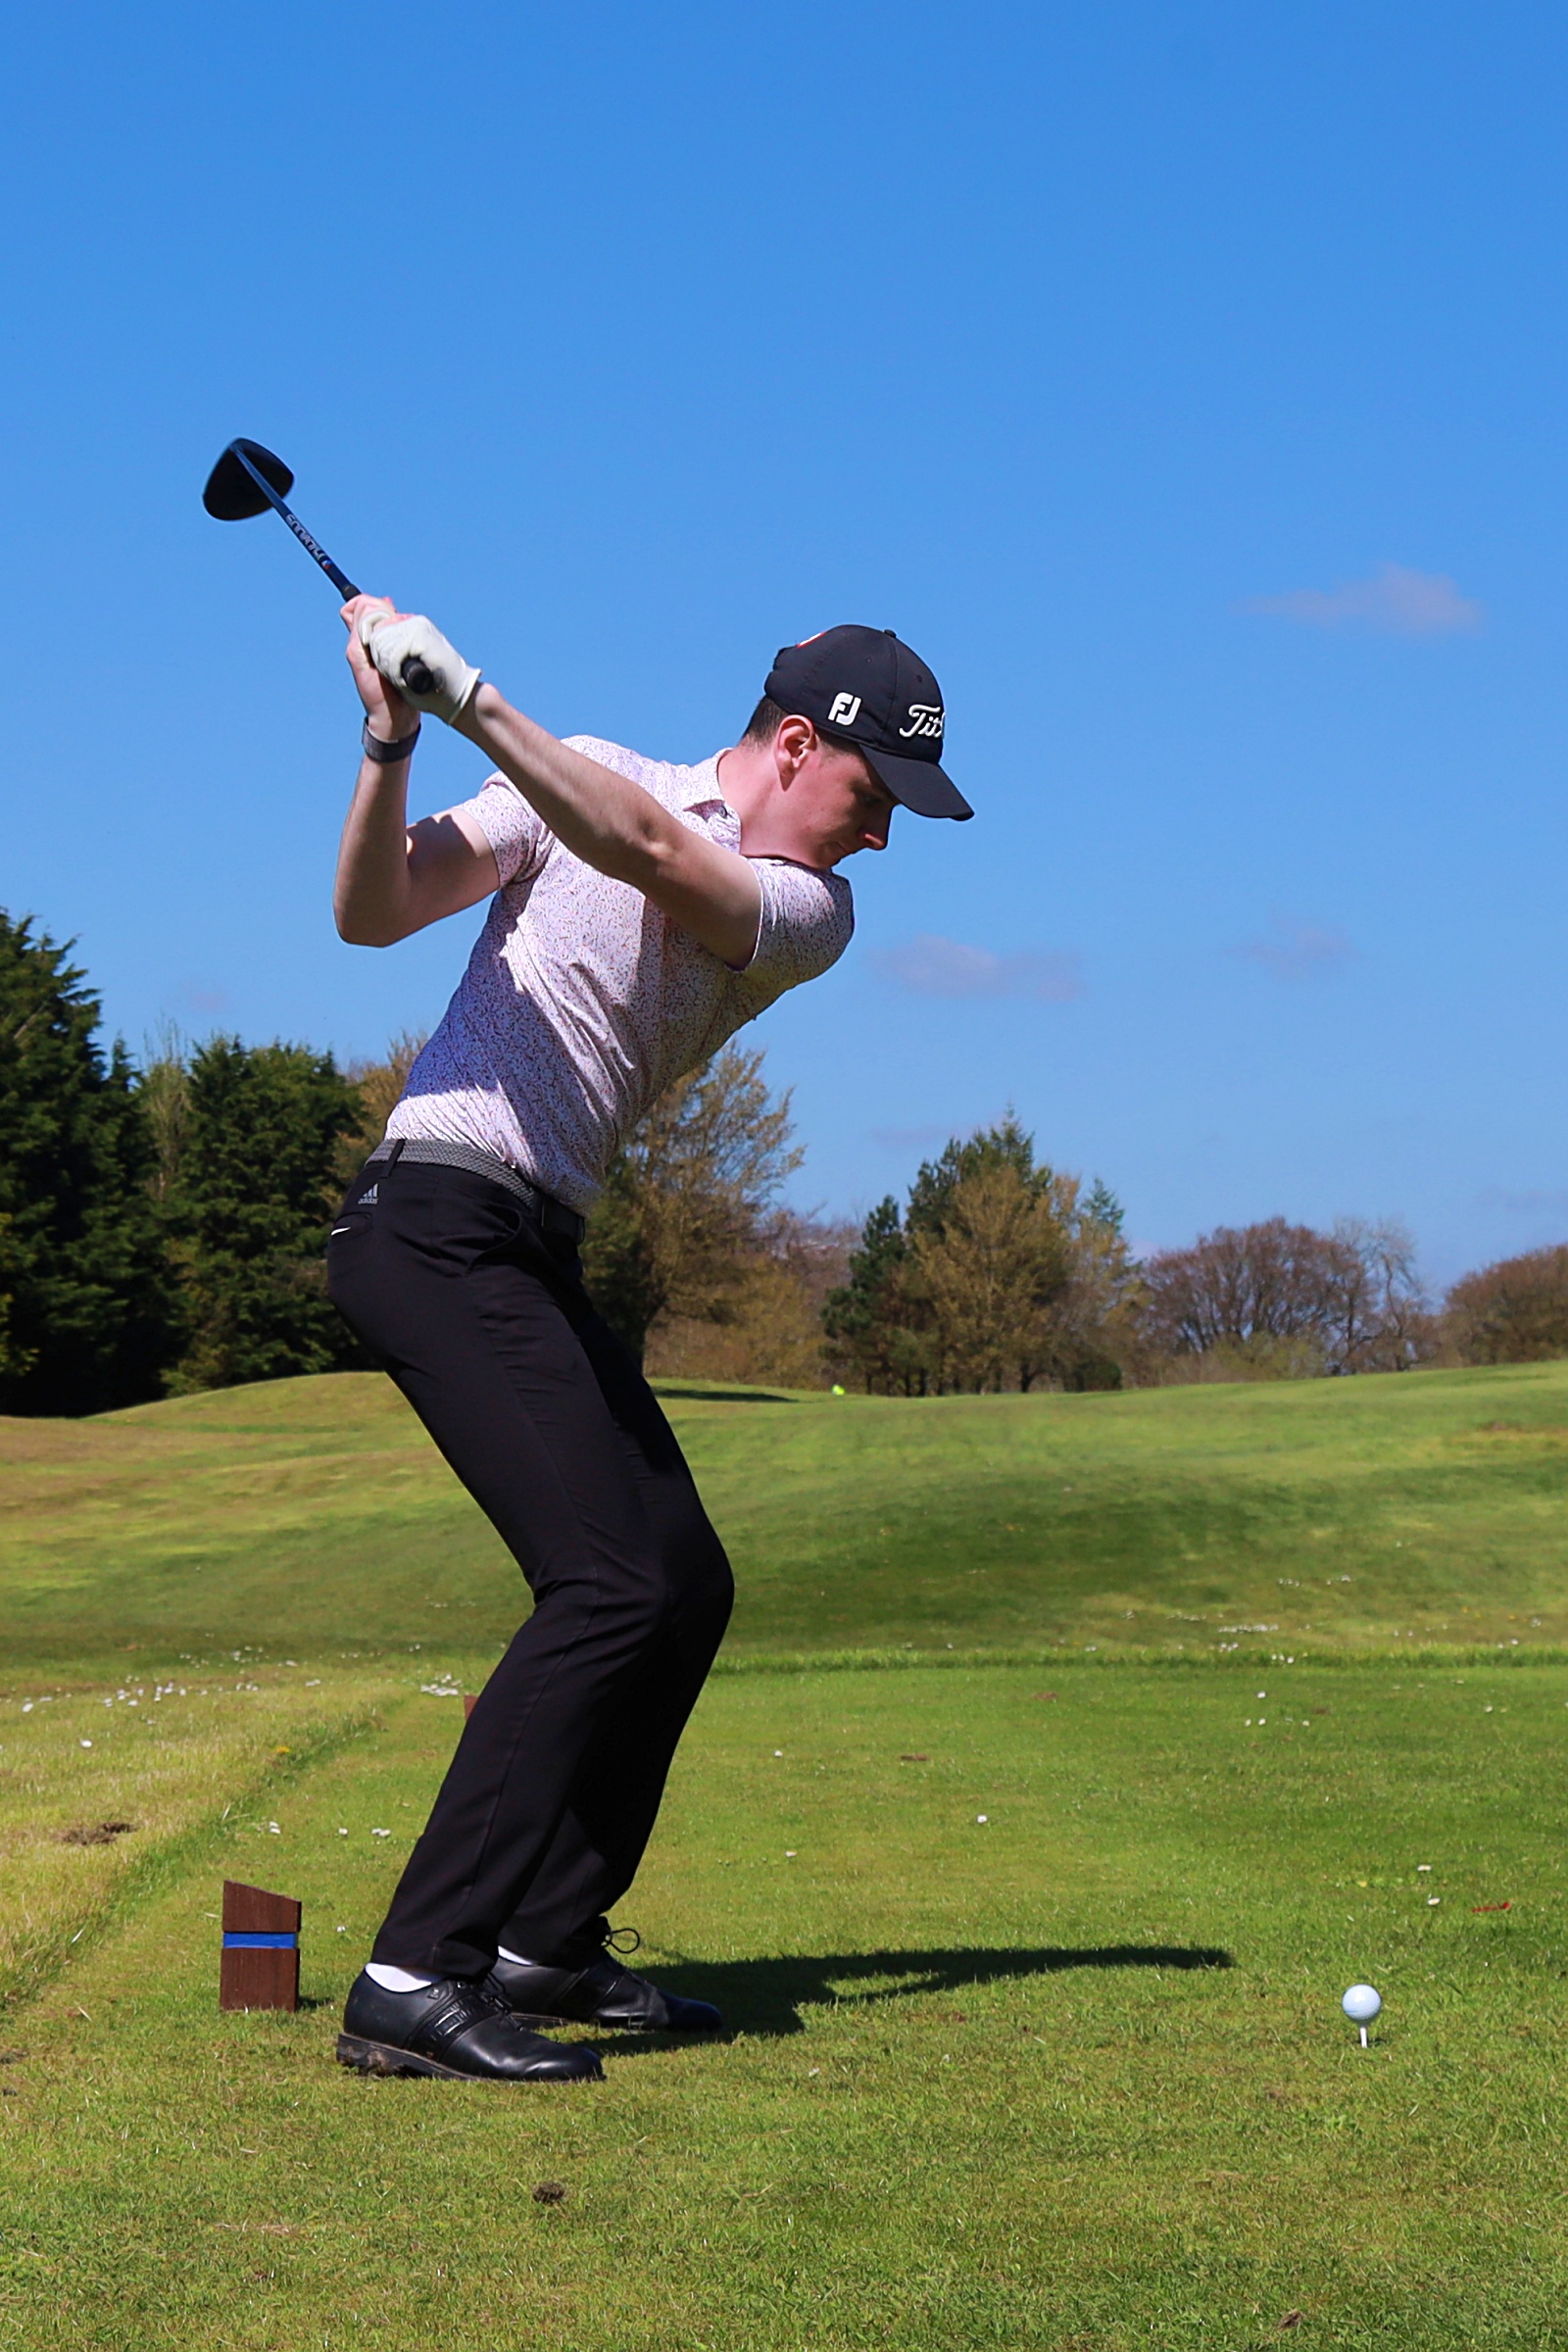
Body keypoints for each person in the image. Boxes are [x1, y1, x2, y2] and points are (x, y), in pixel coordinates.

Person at [327, 598, 972, 2083]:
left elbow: (646, 852)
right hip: (429, 1222)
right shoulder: (581, 772)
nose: (883, 835)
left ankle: (547, 1939)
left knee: (682, 1584)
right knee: (608, 1582)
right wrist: (391, 741)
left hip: (527, 1240)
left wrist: (474, 696)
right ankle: (416, 1973)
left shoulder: (805, 910)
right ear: (798, 745)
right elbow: (375, 909)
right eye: (874, 794)